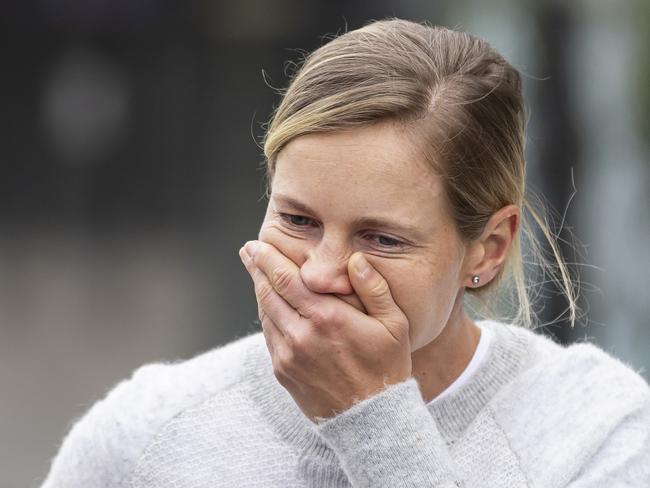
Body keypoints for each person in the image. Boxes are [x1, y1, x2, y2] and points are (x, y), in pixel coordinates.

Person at [41, 18, 650, 488]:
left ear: (487, 250)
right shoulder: (145, 431)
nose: (321, 273)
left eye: (382, 239)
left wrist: (374, 421)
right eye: (297, 219)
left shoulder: (595, 431)